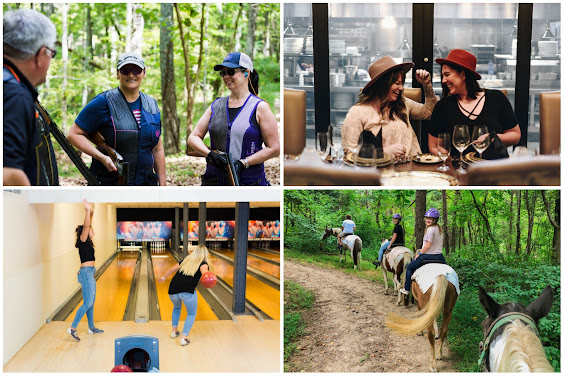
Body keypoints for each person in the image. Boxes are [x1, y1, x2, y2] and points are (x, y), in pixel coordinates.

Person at [67, 52, 166, 185]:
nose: (131, 75)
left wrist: (163, 186)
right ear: (118, 74)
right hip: (110, 185)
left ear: (144, 73)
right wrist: (101, 157)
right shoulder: (103, 101)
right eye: (125, 70)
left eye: (136, 70)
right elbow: (73, 135)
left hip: (145, 185)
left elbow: (157, 149)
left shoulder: (152, 104)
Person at [188, 52, 280, 186]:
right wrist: (210, 154)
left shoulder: (260, 107)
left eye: (231, 72)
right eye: (223, 73)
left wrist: (244, 163)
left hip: (249, 182)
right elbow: (193, 137)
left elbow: (274, 148)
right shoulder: (216, 105)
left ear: (246, 73)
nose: (226, 77)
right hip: (214, 182)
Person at [428, 49, 521, 159]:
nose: (443, 80)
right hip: (459, 169)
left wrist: (492, 138)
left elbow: (515, 135)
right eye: (443, 76)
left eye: (447, 75)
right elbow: (434, 146)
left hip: (494, 167)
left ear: (463, 74)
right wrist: (451, 163)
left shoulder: (496, 98)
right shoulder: (443, 106)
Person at [342, 56, 438, 160]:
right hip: (383, 171)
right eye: (397, 83)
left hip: (413, 168)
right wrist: (384, 152)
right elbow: (349, 153)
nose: (401, 88)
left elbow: (430, 112)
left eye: (402, 83)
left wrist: (427, 85)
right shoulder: (357, 112)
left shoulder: (403, 104)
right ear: (382, 84)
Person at [3, 9, 59, 186]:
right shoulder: (14, 95)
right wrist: (33, 210)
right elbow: (7, 173)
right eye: (52, 53)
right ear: (41, 55)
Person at [157, 244, 212, 346]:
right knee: (191, 314)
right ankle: (183, 338)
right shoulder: (204, 264)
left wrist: (163, 278)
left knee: (177, 308)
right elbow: (205, 274)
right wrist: (210, 279)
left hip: (173, 289)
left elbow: (171, 270)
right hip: (187, 291)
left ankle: (174, 332)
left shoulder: (186, 261)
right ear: (205, 254)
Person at [67, 199, 104, 341]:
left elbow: (89, 224)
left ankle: (91, 327)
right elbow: (87, 226)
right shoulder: (83, 240)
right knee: (87, 302)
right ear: (85, 232)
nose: (91, 230)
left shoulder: (86, 243)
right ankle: (72, 328)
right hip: (87, 273)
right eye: (89, 229)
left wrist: (91, 212)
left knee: (90, 302)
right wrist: (88, 211)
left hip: (89, 272)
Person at [400, 208, 446, 295]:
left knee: (409, 267)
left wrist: (420, 253)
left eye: (430, 219)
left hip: (428, 256)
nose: (428, 220)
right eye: (427, 218)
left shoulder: (430, 230)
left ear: (435, 220)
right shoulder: (439, 229)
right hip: (439, 256)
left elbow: (428, 246)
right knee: (448, 272)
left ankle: (406, 289)